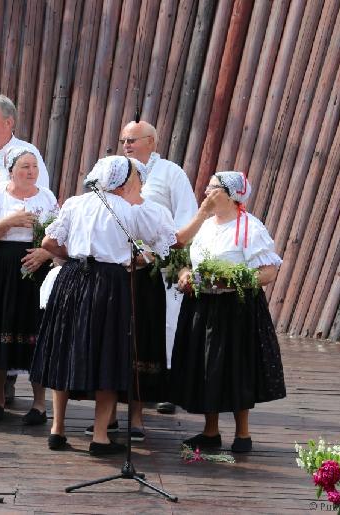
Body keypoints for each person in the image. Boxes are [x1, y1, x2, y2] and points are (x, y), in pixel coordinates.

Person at [30, 155, 182, 456]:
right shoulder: (128, 211)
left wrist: (73, 253)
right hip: (109, 284)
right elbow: (168, 241)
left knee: (66, 349)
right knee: (108, 354)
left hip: (73, 278)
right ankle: (100, 437)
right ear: (123, 182)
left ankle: (57, 430)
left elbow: (48, 242)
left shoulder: (75, 204)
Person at [171, 171, 286, 453]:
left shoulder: (249, 227)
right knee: (206, 367)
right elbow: (183, 257)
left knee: (237, 367)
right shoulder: (206, 225)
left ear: (231, 195)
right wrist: (185, 274)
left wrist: (231, 280)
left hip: (235, 308)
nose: (207, 192)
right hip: (202, 304)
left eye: (214, 188)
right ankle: (210, 432)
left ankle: (242, 434)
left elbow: (268, 272)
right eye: (207, 187)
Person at [0, 146, 57, 424]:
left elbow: (60, 234)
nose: (31, 172)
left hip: (35, 268)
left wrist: (46, 253)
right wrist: (8, 222)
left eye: (34, 167)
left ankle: (40, 404)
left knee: (34, 332)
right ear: (11, 171)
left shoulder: (46, 198)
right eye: (24, 167)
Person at [121, 120, 197, 417]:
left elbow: (186, 217)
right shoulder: (118, 170)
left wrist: (167, 253)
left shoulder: (170, 173)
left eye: (133, 140)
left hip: (163, 264)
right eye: (124, 140)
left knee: (168, 325)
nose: (127, 145)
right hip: (126, 266)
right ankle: (133, 386)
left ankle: (167, 387)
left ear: (151, 141)